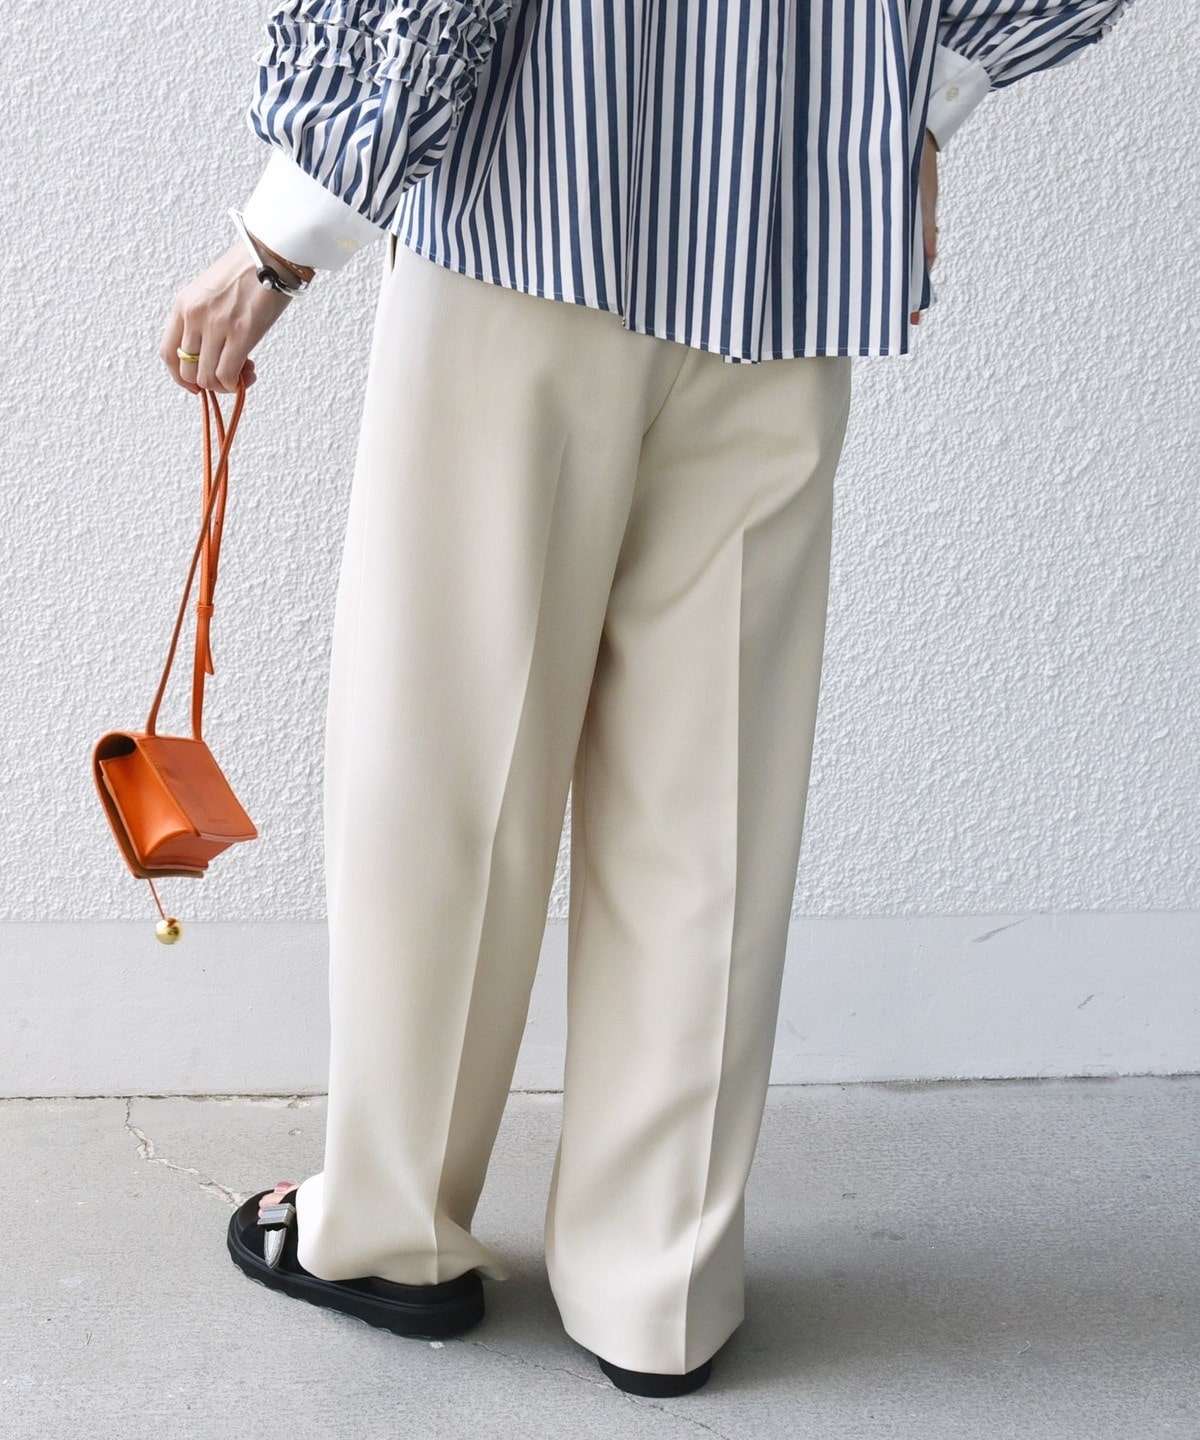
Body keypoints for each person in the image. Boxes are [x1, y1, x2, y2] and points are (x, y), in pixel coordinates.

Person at [160, 0, 1135, 1398]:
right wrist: (916, 98)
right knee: (710, 790)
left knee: (453, 759)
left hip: (535, 211)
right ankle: (657, 1284)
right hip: (795, 232)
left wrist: (283, 233)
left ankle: (389, 1234)